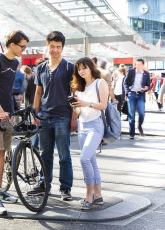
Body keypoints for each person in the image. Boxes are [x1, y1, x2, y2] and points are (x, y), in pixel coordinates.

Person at [0, 30, 29, 216]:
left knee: (4, 154)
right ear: (12, 44)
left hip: (8, 115)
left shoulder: (15, 62)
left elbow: (7, 89)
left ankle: (1, 191)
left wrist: (12, 111)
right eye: (22, 46)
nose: (23, 50)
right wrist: (0, 111)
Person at [30, 31, 76, 201]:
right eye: (52, 46)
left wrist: (74, 118)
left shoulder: (69, 67)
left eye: (58, 47)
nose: (55, 50)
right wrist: (35, 113)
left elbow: (74, 94)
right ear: (47, 46)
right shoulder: (40, 67)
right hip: (44, 116)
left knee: (64, 155)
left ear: (62, 48)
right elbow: (38, 93)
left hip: (62, 116)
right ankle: (44, 185)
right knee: (44, 154)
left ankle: (65, 188)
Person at [69, 57, 107, 210]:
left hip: (96, 125)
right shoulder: (79, 88)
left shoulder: (100, 83)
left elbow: (103, 105)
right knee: (92, 161)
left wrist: (86, 103)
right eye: (79, 69)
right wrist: (75, 106)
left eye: (84, 68)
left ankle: (88, 195)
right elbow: (80, 111)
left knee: (84, 159)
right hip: (83, 125)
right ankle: (98, 196)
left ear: (91, 68)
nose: (81, 71)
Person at [123, 59, 151, 139]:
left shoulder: (146, 74)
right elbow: (125, 82)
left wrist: (147, 88)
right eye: (136, 64)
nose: (137, 66)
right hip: (131, 94)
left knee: (142, 113)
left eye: (139, 64)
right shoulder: (131, 71)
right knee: (131, 115)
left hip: (141, 95)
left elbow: (148, 85)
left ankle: (139, 127)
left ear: (143, 65)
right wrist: (127, 91)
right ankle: (132, 133)